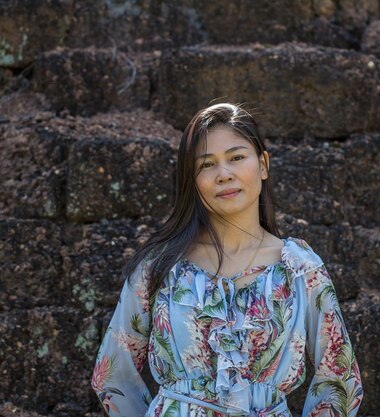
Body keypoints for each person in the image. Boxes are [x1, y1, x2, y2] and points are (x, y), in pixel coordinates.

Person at [90, 103, 363, 417]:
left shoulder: (301, 270)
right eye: (207, 165)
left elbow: (340, 380)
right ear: (192, 180)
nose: (224, 174)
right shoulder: (159, 268)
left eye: (236, 158)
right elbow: (113, 376)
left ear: (262, 165)